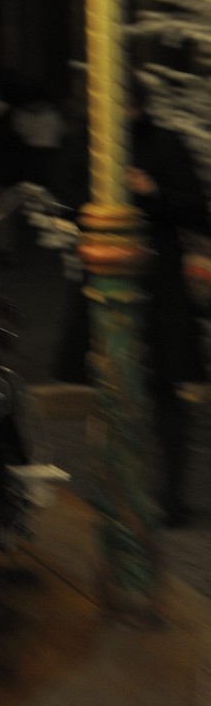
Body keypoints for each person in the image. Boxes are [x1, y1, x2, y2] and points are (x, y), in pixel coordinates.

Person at [125, 102, 210, 526]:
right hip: (114, 279)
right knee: (122, 388)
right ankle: (127, 489)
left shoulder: (164, 143)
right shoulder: (94, 142)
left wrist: (151, 192)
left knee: (164, 391)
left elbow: (195, 210)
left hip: (161, 286)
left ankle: (170, 496)